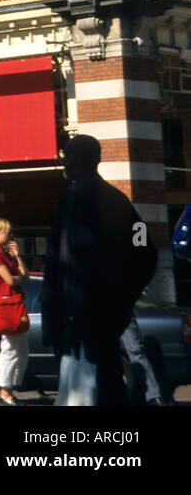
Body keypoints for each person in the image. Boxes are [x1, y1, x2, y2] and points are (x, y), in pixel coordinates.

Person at [43, 134, 157, 406]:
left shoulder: (72, 199)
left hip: (77, 320)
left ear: (81, 158)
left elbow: (65, 263)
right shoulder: (119, 200)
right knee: (109, 382)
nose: (63, 159)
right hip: (108, 316)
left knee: (86, 390)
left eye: (67, 153)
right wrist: (123, 299)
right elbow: (145, 252)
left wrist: (65, 313)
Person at [0, 218, 30, 405]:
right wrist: (17, 277)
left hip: (13, 303)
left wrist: (17, 255)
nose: (11, 235)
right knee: (10, 348)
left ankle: (10, 388)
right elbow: (10, 280)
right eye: (7, 232)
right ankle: (4, 392)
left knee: (21, 349)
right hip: (5, 305)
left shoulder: (4, 253)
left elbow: (24, 275)